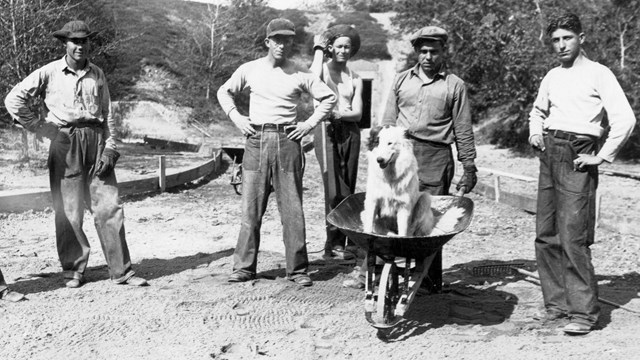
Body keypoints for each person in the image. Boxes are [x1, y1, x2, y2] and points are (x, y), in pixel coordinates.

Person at [4, 20, 148, 289]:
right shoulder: (49, 72)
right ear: (65, 44)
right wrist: (38, 127)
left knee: (109, 205)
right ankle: (73, 269)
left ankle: (121, 271)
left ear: (89, 43)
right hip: (65, 142)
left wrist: (111, 147)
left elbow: (108, 115)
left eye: (84, 41)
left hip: (96, 140)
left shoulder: (98, 74)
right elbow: (14, 99)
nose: (80, 46)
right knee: (68, 209)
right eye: (74, 41)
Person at [528, 13, 636, 335]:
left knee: (573, 236)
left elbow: (625, 119)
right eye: (556, 40)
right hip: (550, 150)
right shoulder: (552, 76)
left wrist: (601, 157)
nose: (561, 45)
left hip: (578, 155)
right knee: (546, 234)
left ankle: (584, 314)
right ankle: (557, 306)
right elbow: (538, 110)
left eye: (567, 38)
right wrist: (536, 132)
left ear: (581, 38)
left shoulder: (599, 74)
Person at [217, 18, 336, 287]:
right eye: (277, 39)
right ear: (268, 42)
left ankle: (297, 270)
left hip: (288, 142)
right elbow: (224, 92)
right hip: (256, 140)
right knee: (250, 209)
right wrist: (237, 117)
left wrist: (308, 124)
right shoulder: (250, 69)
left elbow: (328, 98)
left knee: (292, 209)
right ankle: (244, 267)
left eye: (287, 39)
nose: (282, 44)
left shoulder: (300, 73)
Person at [378, 25, 478, 293]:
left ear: (443, 52)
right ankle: (389, 273)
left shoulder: (454, 85)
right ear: (416, 53)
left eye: (434, 51)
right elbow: (388, 123)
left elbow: (463, 129)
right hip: (403, 153)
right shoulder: (401, 80)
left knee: (427, 218)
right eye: (423, 51)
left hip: (436, 156)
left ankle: (429, 280)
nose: (428, 57)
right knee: (393, 210)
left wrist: (469, 166)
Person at [310, 25, 363, 261]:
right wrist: (319, 49)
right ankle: (332, 244)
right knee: (334, 189)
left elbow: (359, 113)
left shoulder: (356, 78)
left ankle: (350, 242)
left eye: (347, 47)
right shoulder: (321, 70)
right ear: (331, 48)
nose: (343, 50)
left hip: (350, 131)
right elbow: (311, 80)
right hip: (326, 129)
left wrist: (341, 114)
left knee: (348, 187)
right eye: (338, 46)